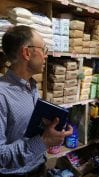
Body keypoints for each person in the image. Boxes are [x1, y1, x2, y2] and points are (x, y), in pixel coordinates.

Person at [0, 25, 73, 176]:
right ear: (27, 53)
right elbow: (1, 157)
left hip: (39, 165)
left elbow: (28, 129)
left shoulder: (31, 85)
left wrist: (54, 131)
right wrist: (44, 140)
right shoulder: (2, 95)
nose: (46, 55)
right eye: (44, 50)